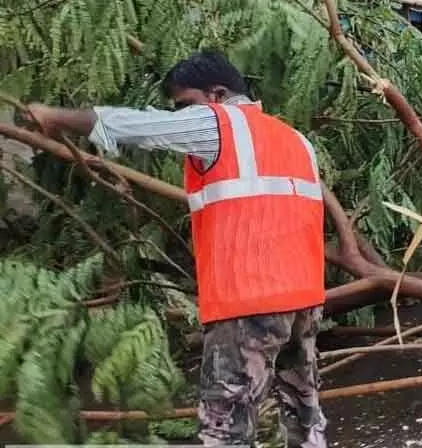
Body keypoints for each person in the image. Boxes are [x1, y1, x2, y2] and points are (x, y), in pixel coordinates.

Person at [25, 51, 328, 447]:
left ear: (217, 94)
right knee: (304, 415)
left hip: (249, 302)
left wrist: (54, 116)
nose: (184, 116)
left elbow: (143, 126)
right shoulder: (296, 139)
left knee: (226, 427)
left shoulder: (218, 123)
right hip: (305, 300)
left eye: (185, 105)